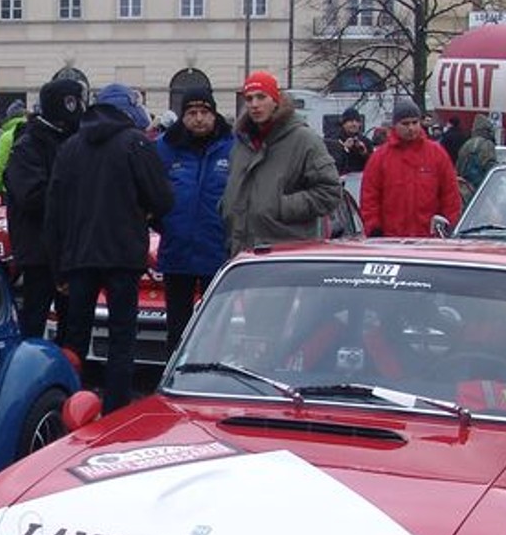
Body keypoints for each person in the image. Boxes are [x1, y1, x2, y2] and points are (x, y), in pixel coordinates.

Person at [46, 83, 173, 413]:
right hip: (123, 255)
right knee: (121, 339)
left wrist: (58, 265)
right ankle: (115, 410)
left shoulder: (71, 146)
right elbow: (162, 198)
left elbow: (54, 211)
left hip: (79, 256)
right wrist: (143, 213)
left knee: (75, 336)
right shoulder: (135, 143)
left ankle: (70, 404)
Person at [220, 70, 342, 258]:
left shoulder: (304, 140)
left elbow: (330, 191)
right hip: (243, 252)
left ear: (276, 99)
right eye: (249, 98)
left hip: (285, 254)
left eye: (261, 97)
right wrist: (227, 206)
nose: (254, 105)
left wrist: (279, 206)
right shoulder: (242, 143)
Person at [4, 77, 83, 345]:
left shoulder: (76, 140)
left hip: (71, 249)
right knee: (35, 319)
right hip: (38, 250)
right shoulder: (28, 145)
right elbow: (32, 198)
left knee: (73, 322)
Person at [157, 92, 235, 350]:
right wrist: (165, 224)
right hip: (177, 253)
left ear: (214, 114)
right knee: (177, 331)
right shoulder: (165, 147)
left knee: (217, 331)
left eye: (205, 113)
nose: (199, 119)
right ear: (182, 116)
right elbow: (150, 192)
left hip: (218, 253)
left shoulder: (233, 146)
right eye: (192, 113)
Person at [358, 99, 461, 236]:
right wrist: (374, 228)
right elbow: (370, 198)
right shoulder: (380, 158)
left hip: (430, 241)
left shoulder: (437, 155)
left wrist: (449, 226)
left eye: (414, 122)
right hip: (390, 240)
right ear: (395, 125)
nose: (411, 128)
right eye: (405, 124)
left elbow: (450, 195)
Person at [0, 99, 28, 201]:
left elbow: (0, 165)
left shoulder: (6, 137)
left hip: (10, 188)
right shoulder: (34, 132)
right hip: (33, 187)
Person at [455, 116, 498, 192]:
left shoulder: (466, 144)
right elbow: (490, 166)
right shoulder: (487, 144)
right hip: (481, 188)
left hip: (465, 188)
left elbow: (458, 166)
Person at [325, 107, 372, 174]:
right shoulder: (333, 140)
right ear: (343, 124)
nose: (354, 124)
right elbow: (332, 164)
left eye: (357, 121)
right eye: (351, 121)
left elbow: (373, 165)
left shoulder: (366, 142)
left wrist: (364, 153)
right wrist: (344, 149)